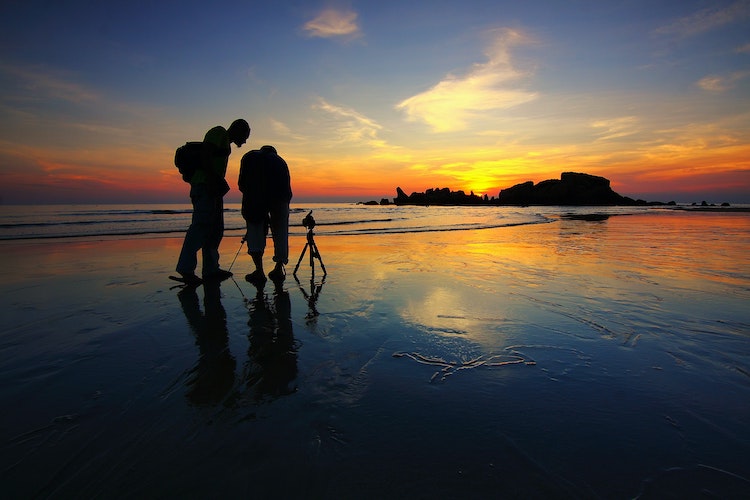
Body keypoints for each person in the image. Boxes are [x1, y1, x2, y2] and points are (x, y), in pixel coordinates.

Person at [176, 119, 251, 285]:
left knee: (215, 231)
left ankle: (211, 269)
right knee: (200, 227)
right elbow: (205, 154)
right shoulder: (218, 132)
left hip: (213, 189)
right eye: (245, 136)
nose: (245, 141)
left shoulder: (225, 141)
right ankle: (186, 269)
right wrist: (212, 180)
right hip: (204, 186)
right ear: (238, 130)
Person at [238, 145, 292, 284]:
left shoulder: (249, 157)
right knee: (280, 233)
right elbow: (287, 190)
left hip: (255, 197)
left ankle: (259, 271)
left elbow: (242, 184)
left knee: (255, 231)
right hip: (280, 199)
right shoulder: (280, 161)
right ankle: (278, 269)